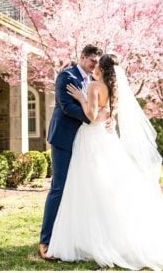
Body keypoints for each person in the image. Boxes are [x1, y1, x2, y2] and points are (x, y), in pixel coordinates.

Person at [46, 54, 163, 270]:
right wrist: (106, 114)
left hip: (91, 138)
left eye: (97, 64)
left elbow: (92, 116)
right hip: (107, 139)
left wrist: (81, 97)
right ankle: (105, 235)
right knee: (105, 187)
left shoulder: (95, 86)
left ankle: (89, 237)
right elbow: (108, 115)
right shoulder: (115, 91)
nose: (94, 67)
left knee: (89, 186)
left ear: (102, 69)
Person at [39, 44, 104, 260]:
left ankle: (71, 237)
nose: (95, 65)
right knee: (59, 187)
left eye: (97, 62)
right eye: (92, 61)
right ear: (83, 57)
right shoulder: (66, 76)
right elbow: (66, 106)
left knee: (80, 187)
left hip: (84, 140)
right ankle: (46, 240)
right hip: (64, 138)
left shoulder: (92, 82)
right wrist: (92, 117)